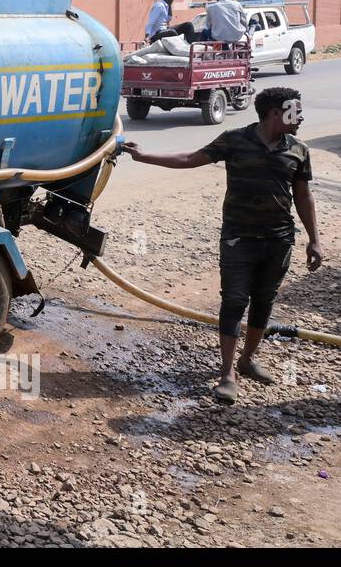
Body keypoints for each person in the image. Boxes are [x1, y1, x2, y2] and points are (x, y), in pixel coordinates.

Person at [121, 88, 323, 403]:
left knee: (264, 301)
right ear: (274, 113)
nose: (301, 116)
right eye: (295, 110)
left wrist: (314, 240)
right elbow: (190, 158)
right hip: (238, 238)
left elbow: (303, 195)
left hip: (279, 239)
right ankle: (227, 373)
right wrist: (143, 155)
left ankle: (247, 360)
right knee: (233, 301)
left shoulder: (298, 149)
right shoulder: (235, 140)